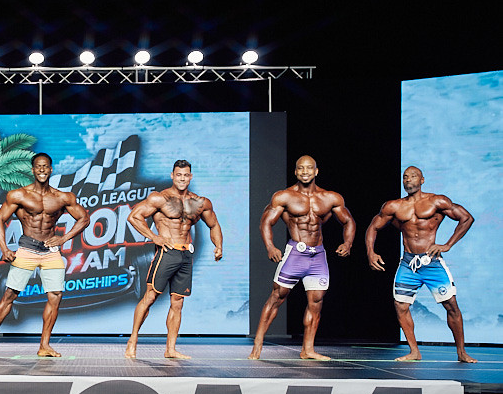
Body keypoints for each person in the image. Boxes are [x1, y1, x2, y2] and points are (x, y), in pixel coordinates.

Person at [0, 153, 89, 357]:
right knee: (10, 294)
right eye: (38, 166)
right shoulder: (19, 195)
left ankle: (44, 345)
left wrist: (64, 239)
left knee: (55, 296)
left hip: (50, 252)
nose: (42, 170)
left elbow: (84, 218)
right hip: (27, 249)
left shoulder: (62, 197)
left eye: (45, 166)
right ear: (33, 170)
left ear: (51, 169)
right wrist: (4, 249)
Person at [365, 166, 476, 363]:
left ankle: (461, 352)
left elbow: (466, 218)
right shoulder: (394, 206)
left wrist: (447, 245)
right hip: (408, 264)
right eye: (405, 177)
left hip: (431, 262)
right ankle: (414, 351)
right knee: (400, 306)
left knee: (451, 305)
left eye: (413, 176)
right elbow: (373, 226)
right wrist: (371, 252)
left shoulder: (437, 201)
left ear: (422, 180)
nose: (408, 180)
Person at [248, 155, 355, 361]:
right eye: (301, 168)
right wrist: (270, 247)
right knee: (277, 296)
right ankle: (258, 344)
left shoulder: (331, 198)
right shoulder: (284, 197)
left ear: (316, 171)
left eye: (309, 168)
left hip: (318, 255)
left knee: (316, 301)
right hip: (295, 253)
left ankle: (308, 349)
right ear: (296, 172)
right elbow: (266, 222)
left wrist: (347, 243)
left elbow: (348, 221)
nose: (305, 172)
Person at [124, 159, 223, 359]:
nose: (182, 179)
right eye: (179, 175)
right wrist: (154, 237)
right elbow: (133, 216)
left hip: (186, 255)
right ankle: (132, 340)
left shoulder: (200, 202)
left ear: (190, 177)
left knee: (178, 302)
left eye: (186, 175)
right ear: (172, 176)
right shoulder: (160, 198)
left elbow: (214, 224)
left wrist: (219, 246)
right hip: (166, 253)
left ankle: (170, 349)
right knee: (150, 297)